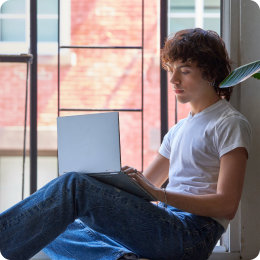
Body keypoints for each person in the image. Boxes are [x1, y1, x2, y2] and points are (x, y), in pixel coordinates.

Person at [0, 28, 251, 260]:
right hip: (166, 223)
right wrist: (109, 177)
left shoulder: (229, 123)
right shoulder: (178, 130)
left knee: (71, 188)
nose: (173, 79)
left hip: (191, 235)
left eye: (184, 71)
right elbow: (144, 189)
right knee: (49, 222)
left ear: (211, 74)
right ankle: (120, 258)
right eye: (170, 69)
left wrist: (158, 194)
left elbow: (227, 205)